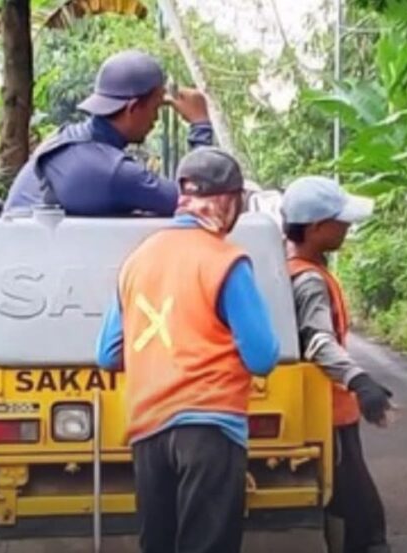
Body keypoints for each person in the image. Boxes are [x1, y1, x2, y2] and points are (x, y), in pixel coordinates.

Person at [95, 147, 280, 553]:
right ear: (229, 201)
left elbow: (108, 354)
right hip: (210, 428)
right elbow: (263, 356)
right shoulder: (225, 260)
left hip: (149, 431)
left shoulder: (136, 261)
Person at [281, 176, 394, 553]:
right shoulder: (309, 279)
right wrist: (359, 380)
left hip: (328, 412)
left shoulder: (287, 266)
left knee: (350, 510)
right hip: (327, 417)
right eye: (340, 221)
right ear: (315, 228)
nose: (347, 227)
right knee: (364, 520)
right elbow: (317, 341)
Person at [5, 49, 214, 215]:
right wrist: (200, 124)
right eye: (156, 108)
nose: (156, 119)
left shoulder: (65, 139)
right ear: (133, 108)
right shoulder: (113, 172)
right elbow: (197, 200)